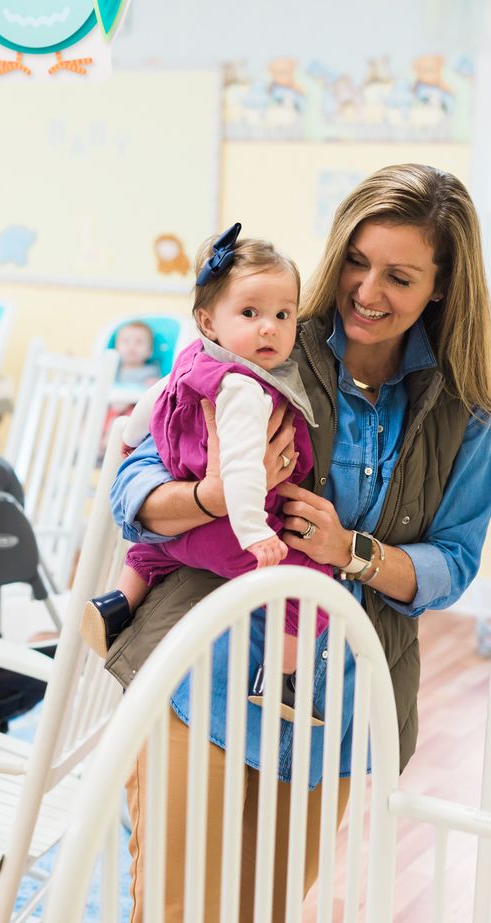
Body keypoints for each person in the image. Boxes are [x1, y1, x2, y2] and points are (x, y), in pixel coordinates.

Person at [106, 163, 491, 923]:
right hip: (203, 676)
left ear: (439, 288)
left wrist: (348, 550)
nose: (366, 290)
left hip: (333, 710)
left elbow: (453, 565)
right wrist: (212, 496)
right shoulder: (267, 343)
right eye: (356, 261)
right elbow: (135, 490)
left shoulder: (462, 413)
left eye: (399, 277)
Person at [82, 225, 329, 723]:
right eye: (250, 313)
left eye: (284, 315)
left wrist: (130, 436)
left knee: (152, 551)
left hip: (176, 533)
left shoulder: (195, 358)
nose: (269, 328)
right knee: (312, 585)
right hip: (229, 533)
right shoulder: (244, 390)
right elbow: (239, 469)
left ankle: (117, 604)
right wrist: (255, 532)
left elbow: (153, 398)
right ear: (208, 320)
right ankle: (279, 680)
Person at [100, 320, 161, 454]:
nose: (131, 346)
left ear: (150, 351)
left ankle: (107, 448)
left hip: (130, 411)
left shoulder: (151, 372)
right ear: (116, 347)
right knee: (93, 417)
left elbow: (155, 393)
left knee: (121, 421)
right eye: (125, 341)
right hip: (110, 408)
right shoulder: (112, 370)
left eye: (139, 342)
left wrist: (154, 383)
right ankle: (91, 447)